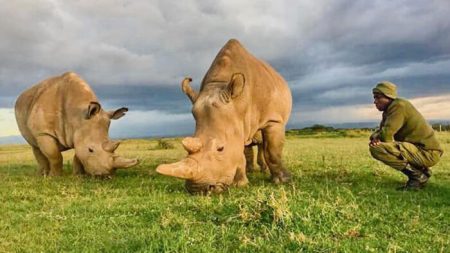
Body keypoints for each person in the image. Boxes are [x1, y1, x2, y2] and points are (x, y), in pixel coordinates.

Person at [369, 81, 443, 190]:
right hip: (419, 150)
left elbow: (386, 135)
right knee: (381, 146)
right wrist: (377, 137)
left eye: (378, 98)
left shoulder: (398, 106)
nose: (375, 101)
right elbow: (380, 131)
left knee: (377, 149)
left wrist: (379, 140)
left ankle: (417, 176)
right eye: (374, 98)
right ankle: (422, 172)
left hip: (427, 153)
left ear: (388, 97)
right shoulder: (389, 110)